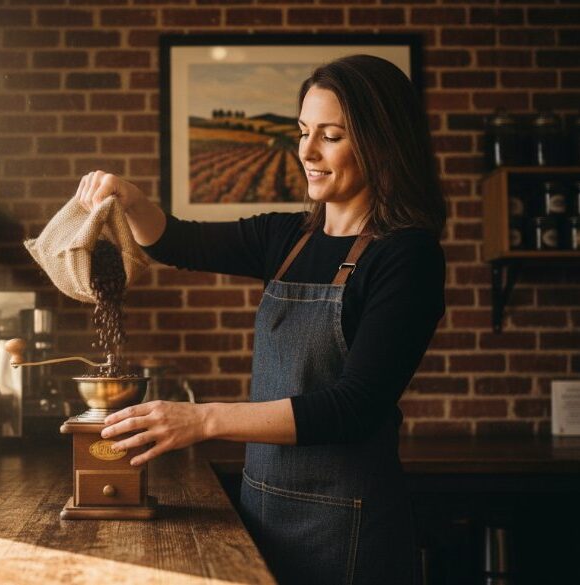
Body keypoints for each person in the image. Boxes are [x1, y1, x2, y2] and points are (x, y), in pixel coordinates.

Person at [76, 54, 445, 585]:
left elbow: (355, 407)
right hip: (263, 510)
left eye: (331, 136)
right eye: (302, 131)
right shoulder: (286, 238)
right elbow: (177, 240)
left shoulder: (407, 256)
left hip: (348, 526)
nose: (307, 152)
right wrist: (129, 198)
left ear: (380, 142)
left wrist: (202, 420)